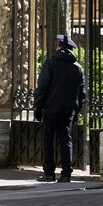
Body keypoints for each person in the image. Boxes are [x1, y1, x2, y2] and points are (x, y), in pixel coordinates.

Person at [34, 32, 85, 183]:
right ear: (71, 49)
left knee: (48, 140)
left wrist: (38, 107)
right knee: (66, 140)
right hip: (68, 110)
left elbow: (42, 87)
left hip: (51, 109)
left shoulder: (50, 63)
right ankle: (66, 174)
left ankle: (49, 173)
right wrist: (76, 112)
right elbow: (82, 94)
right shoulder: (78, 68)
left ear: (58, 46)